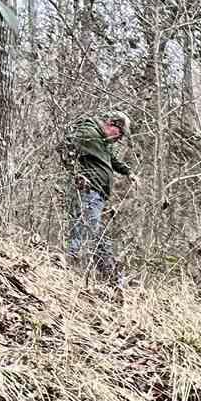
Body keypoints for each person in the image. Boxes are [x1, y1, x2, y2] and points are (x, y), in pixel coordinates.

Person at [63, 109, 134, 284]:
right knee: (86, 230)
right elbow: (67, 147)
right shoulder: (89, 132)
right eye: (120, 134)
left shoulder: (102, 143)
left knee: (91, 231)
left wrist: (128, 172)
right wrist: (77, 174)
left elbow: (112, 160)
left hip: (97, 194)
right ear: (112, 125)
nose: (119, 139)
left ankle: (107, 274)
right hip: (88, 191)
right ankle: (70, 264)